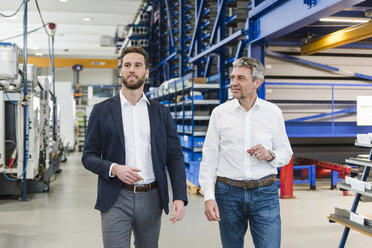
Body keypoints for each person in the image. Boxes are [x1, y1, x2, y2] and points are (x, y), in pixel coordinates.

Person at [82, 46, 188, 248]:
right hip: (115, 197)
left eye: (138, 65)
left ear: (146, 73)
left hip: (151, 197)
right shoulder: (101, 111)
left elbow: (174, 156)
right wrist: (114, 168)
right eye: (127, 65)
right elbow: (88, 156)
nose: (132, 69)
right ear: (120, 71)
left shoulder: (161, 113)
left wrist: (180, 197)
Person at [199, 57, 292, 248]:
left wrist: (270, 155)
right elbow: (209, 159)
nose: (234, 83)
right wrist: (209, 196)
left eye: (240, 78)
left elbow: (286, 153)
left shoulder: (272, 113)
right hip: (228, 193)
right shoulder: (219, 113)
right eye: (232, 77)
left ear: (257, 82)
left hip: (265, 193)